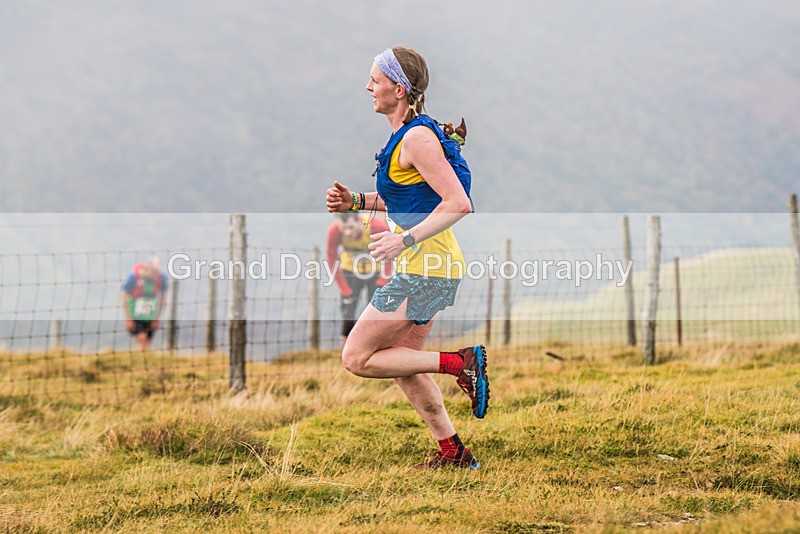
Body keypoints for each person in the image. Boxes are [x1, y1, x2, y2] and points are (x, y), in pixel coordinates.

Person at [325, 46, 489, 469]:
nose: (368, 87)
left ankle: (461, 362)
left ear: (398, 89)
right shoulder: (407, 136)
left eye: (375, 80)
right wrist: (357, 201)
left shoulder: (416, 137)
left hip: (424, 268)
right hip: (432, 267)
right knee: (402, 365)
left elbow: (458, 203)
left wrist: (406, 241)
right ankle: (453, 451)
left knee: (356, 357)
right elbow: (408, 199)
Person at [326, 212, 392, 345]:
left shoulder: (376, 226)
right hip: (349, 270)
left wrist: (383, 281)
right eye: (343, 228)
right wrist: (344, 288)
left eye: (351, 227)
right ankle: (346, 351)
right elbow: (331, 257)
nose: (348, 232)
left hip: (375, 271)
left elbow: (389, 253)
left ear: (359, 221)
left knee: (376, 311)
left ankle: (373, 345)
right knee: (348, 312)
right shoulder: (334, 230)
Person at [121, 257, 168, 351]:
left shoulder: (161, 279)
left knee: (147, 342)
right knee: (142, 338)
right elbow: (124, 296)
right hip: (135, 314)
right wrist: (128, 318)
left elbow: (163, 298)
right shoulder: (134, 277)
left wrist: (157, 318)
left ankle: (142, 359)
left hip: (150, 314)